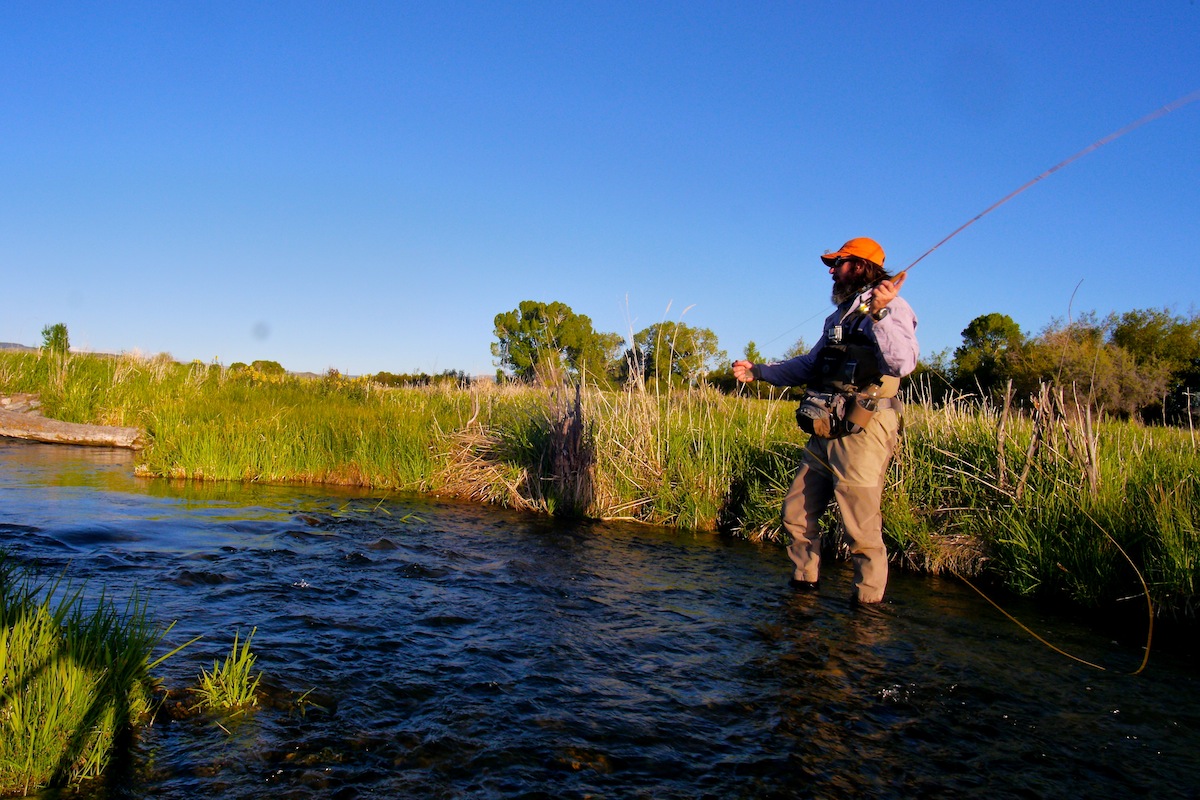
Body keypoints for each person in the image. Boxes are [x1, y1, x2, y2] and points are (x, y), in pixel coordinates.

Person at [732, 237, 918, 604]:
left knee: (860, 530)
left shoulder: (892, 308)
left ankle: (867, 616)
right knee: (796, 515)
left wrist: (881, 313)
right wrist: (760, 372)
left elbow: (902, 363)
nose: (831, 271)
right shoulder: (839, 316)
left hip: (864, 431)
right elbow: (811, 365)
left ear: (861, 266)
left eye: (839, 263)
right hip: (826, 426)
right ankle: (804, 591)